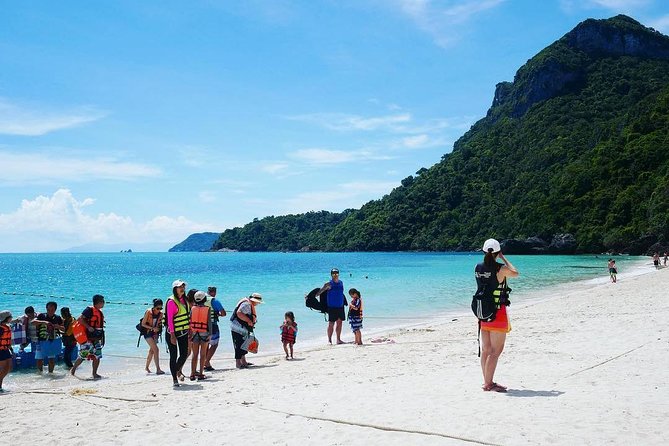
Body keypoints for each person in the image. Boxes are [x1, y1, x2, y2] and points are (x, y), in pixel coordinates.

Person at [475, 239, 519, 393]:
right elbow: (515, 272)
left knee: (486, 350)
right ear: (497, 252)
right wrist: (504, 258)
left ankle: (486, 381)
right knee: (496, 351)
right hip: (497, 313)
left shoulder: (478, 267)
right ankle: (489, 384)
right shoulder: (501, 269)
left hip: (483, 312)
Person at [70, 295, 106, 379]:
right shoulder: (89, 310)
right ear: (99, 302)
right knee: (83, 356)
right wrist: (88, 327)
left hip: (96, 338)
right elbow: (80, 319)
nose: (104, 303)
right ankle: (73, 369)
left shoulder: (99, 312)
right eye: (103, 301)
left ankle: (94, 373)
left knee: (97, 355)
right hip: (87, 338)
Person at [166, 280, 190, 387]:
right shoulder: (171, 301)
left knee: (184, 354)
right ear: (175, 289)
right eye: (180, 287)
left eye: (183, 287)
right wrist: (172, 335)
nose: (182, 288)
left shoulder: (185, 300)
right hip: (173, 333)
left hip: (184, 331)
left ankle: (176, 371)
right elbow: (170, 320)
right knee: (173, 356)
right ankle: (174, 378)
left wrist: (190, 330)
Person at [230, 293, 263, 369]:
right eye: (258, 302)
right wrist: (249, 321)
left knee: (244, 344)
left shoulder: (247, 303)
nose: (258, 304)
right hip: (237, 327)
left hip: (241, 327)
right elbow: (239, 313)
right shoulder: (247, 304)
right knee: (239, 344)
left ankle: (244, 361)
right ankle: (238, 363)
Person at [33, 301, 64, 373]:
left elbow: (64, 329)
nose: (50, 311)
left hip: (52, 341)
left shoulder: (58, 318)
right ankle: (40, 373)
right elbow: (33, 322)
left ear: (55, 309)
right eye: (48, 309)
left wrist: (58, 326)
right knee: (39, 359)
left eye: (52, 310)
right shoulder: (41, 316)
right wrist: (43, 322)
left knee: (51, 359)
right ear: (46, 309)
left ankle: (51, 373)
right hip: (41, 341)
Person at [319, 268, 346, 345]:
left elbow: (341, 294)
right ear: (331, 274)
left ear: (338, 274)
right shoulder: (328, 283)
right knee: (331, 324)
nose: (335, 275)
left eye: (336, 273)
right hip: (332, 307)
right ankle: (329, 340)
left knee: (340, 323)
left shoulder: (341, 282)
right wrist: (310, 297)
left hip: (340, 306)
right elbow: (320, 291)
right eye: (333, 273)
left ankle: (338, 339)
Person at [189, 291, 211, 380]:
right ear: (204, 299)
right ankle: (201, 373)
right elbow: (209, 322)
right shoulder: (207, 309)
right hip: (204, 333)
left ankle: (192, 373)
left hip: (194, 333)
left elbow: (190, 321)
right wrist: (210, 334)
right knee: (202, 354)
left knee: (194, 354)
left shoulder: (192, 308)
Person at [204, 286, 226, 372]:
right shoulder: (214, 300)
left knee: (205, 345)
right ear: (215, 292)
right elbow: (223, 313)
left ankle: (205, 363)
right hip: (212, 325)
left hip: (202, 325)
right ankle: (206, 362)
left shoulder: (201, 299)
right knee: (214, 344)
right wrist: (218, 314)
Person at [141, 299, 165, 375]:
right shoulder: (148, 312)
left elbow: (160, 324)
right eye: (158, 308)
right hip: (147, 332)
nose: (159, 310)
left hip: (155, 334)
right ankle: (158, 369)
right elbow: (143, 324)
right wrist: (152, 328)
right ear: (154, 307)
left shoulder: (161, 314)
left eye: (161, 308)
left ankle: (146, 367)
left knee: (152, 351)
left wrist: (158, 329)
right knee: (156, 350)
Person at [0, 310, 13, 392]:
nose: (11, 318)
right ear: (7, 318)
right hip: (1, 350)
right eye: (10, 317)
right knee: (3, 369)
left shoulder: (7, 327)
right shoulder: (1, 328)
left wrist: (10, 348)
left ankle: (0, 385)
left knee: (9, 367)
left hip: (6, 349)